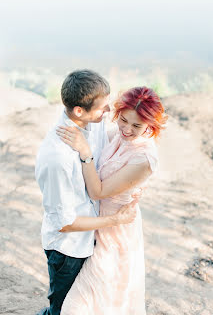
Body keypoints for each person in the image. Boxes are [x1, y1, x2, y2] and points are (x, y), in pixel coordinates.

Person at [56, 86, 168, 315]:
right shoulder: (116, 134)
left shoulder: (144, 159)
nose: (126, 129)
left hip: (116, 238)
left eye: (136, 126)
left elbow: (98, 191)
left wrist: (85, 152)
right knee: (98, 305)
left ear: (151, 125)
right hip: (94, 227)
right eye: (123, 120)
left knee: (77, 307)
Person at [35, 70, 138, 315]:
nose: (108, 113)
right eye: (103, 108)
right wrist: (116, 220)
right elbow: (65, 223)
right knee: (62, 310)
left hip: (92, 241)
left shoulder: (94, 124)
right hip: (68, 250)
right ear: (79, 111)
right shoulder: (57, 157)